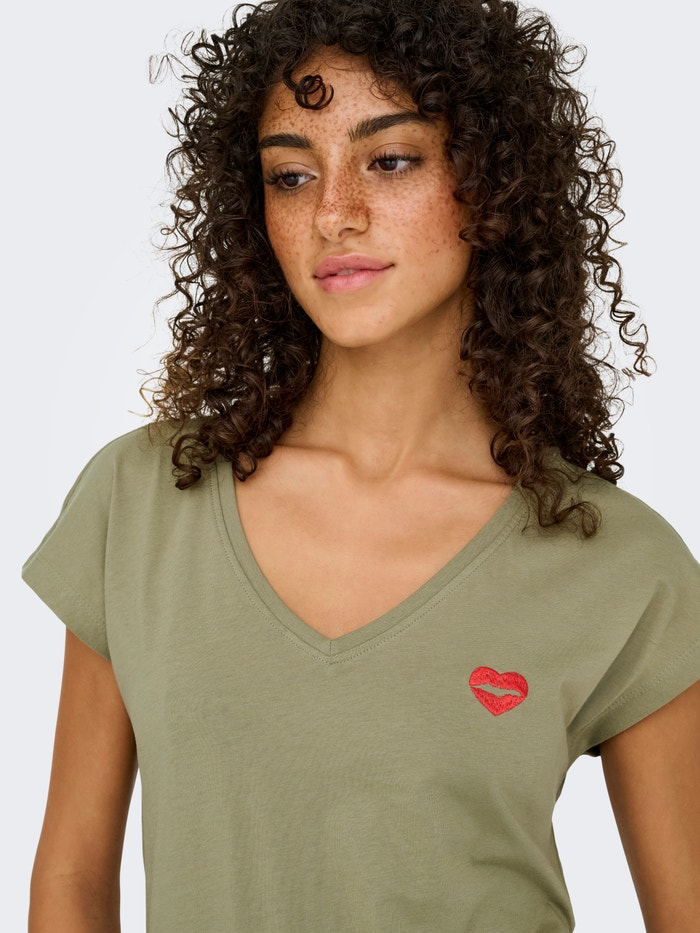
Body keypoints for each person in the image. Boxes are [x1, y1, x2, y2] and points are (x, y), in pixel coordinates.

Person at [22, 0, 700, 930]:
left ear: (492, 181)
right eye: (292, 176)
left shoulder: (620, 564)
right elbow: (68, 880)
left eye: (391, 160)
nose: (334, 214)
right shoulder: (143, 501)